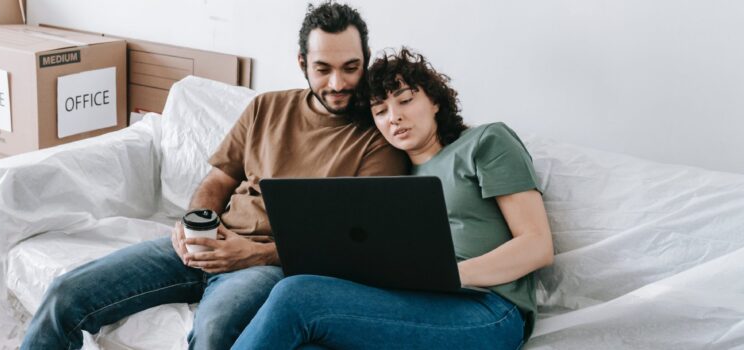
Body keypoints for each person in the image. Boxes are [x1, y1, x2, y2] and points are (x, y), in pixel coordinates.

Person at [19, 3, 407, 349]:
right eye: (323, 69)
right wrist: (194, 225)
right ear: (302, 62)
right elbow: (218, 182)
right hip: (209, 243)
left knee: (216, 330)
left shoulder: (379, 140)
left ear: (366, 61)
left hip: (266, 265)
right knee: (66, 293)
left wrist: (253, 253)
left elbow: (353, 245)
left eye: (350, 68)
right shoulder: (267, 107)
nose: (337, 83)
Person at [231, 48, 555, 349]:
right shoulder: (393, 180)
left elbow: (537, 245)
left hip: (489, 308)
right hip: (414, 301)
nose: (393, 117)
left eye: (404, 100)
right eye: (380, 110)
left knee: (297, 295)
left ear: (435, 101)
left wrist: (448, 277)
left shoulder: (486, 141)